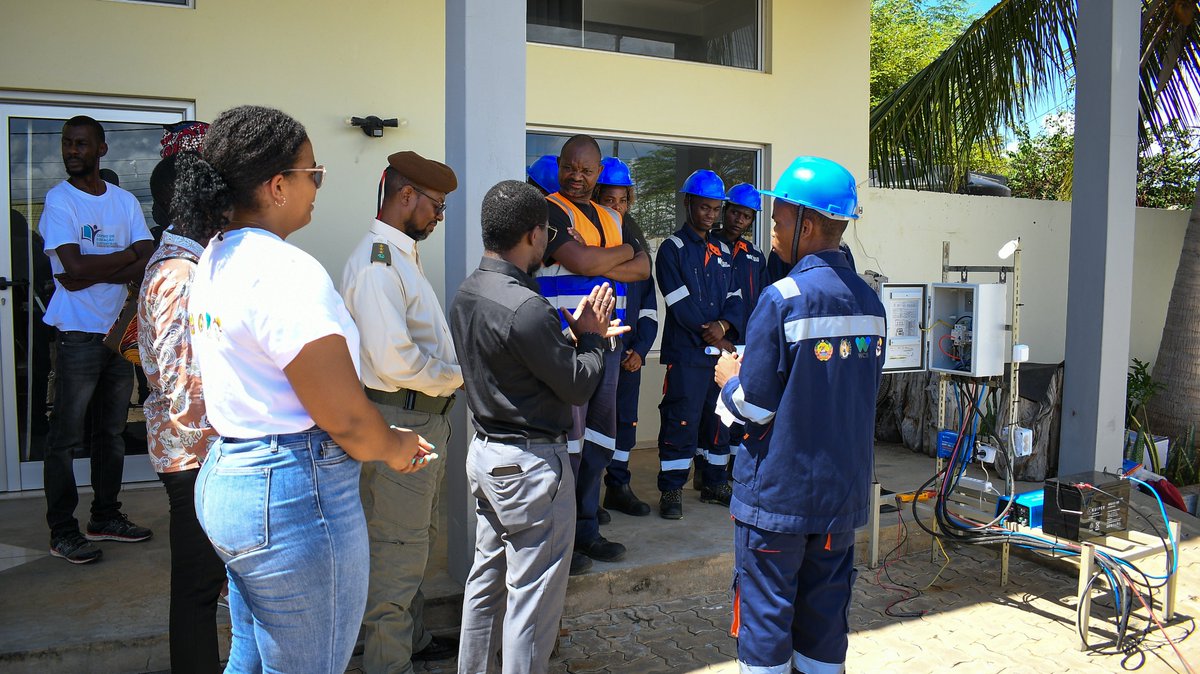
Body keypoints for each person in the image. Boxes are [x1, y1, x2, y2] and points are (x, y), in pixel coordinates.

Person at [177, 105, 434, 673]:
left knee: (251, 656)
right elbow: (345, 418)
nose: (317, 186)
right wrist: (395, 446)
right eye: (312, 173)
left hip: (233, 474)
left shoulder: (216, 256)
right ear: (277, 186)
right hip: (292, 496)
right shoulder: (282, 270)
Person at [714, 156, 885, 674]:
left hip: (779, 501)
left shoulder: (782, 298)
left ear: (806, 225)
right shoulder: (871, 302)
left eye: (779, 220)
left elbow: (754, 407)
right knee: (825, 624)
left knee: (766, 621)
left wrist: (729, 379)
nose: (773, 231)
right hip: (840, 500)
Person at [450, 180, 626, 674]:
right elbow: (577, 386)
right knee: (532, 603)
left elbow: (517, 361)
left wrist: (570, 335)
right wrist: (593, 341)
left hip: (488, 456)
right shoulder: (525, 306)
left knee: (485, 586)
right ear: (533, 234)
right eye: (548, 232)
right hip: (530, 467)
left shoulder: (468, 291)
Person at [341, 150, 462, 672]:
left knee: (414, 541)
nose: (439, 216)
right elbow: (396, 362)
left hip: (421, 416)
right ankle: (388, 663)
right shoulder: (377, 264)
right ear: (406, 195)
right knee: (397, 547)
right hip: (401, 417)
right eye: (436, 205)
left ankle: (411, 640)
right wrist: (460, 374)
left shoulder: (399, 254)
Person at [39, 115, 155, 564]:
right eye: (67, 143)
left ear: (102, 149)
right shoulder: (59, 200)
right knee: (66, 437)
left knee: (111, 432)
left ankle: (105, 516)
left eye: (81, 144)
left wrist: (94, 270)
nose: (72, 150)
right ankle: (62, 531)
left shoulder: (124, 201)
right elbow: (71, 268)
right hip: (77, 334)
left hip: (116, 333)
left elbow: (146, 258)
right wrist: (123, 260)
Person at [536, 134, 650, 571]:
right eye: (570, 167)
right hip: (565, 344)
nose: (577, 177)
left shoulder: (613, 216)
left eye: (586, 170)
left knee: (599, 438)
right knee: (566, 443)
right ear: (559, 166)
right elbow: (582, 264)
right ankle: (560, 540)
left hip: (608, 343)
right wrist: (620, 253)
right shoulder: (547, 210)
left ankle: (586, 529)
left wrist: (599, 256)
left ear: (598, 173)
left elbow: (643, 269)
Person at [137, 147, 225, 674]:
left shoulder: (188, 265)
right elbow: (185, 390)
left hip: (195, 454)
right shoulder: (178, 274)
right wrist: (226, 456)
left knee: (206, 584)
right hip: (195, 457)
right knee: (198, 588)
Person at [654, 169, 743, 519]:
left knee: (719, 419)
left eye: (715, 209)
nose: (710, 215)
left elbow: (735, 297)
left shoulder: (723, 250)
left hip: (718, 355)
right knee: (681, 419)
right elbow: (678, 302)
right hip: (687, 353)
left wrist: (724, 326)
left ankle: (715, 482)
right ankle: (672, 489)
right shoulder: (671, 249)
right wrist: (712, 331)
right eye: (704, 207)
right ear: (688, 203)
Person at [593, 157, 655, 518]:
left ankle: (618, 487)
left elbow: (649, 308)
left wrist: (641, 350)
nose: (617, 208)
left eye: (622, 201)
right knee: (592, 425)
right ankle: (587, 496)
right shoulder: (588, 244)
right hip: (595, 355)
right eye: (609, 200)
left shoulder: (635, 243)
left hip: (628, 355)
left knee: (625, 423)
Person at [714, 183, 769, 474]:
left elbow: (761, 300)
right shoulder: (708, 245)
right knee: (712, 417)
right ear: (725, 211)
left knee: (739, 410)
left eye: (747, 216)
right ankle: (709, 474)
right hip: (713, 342)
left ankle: (734, 470)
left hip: (745, 345)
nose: (739, 220)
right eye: (735, 212)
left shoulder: (755, 255)